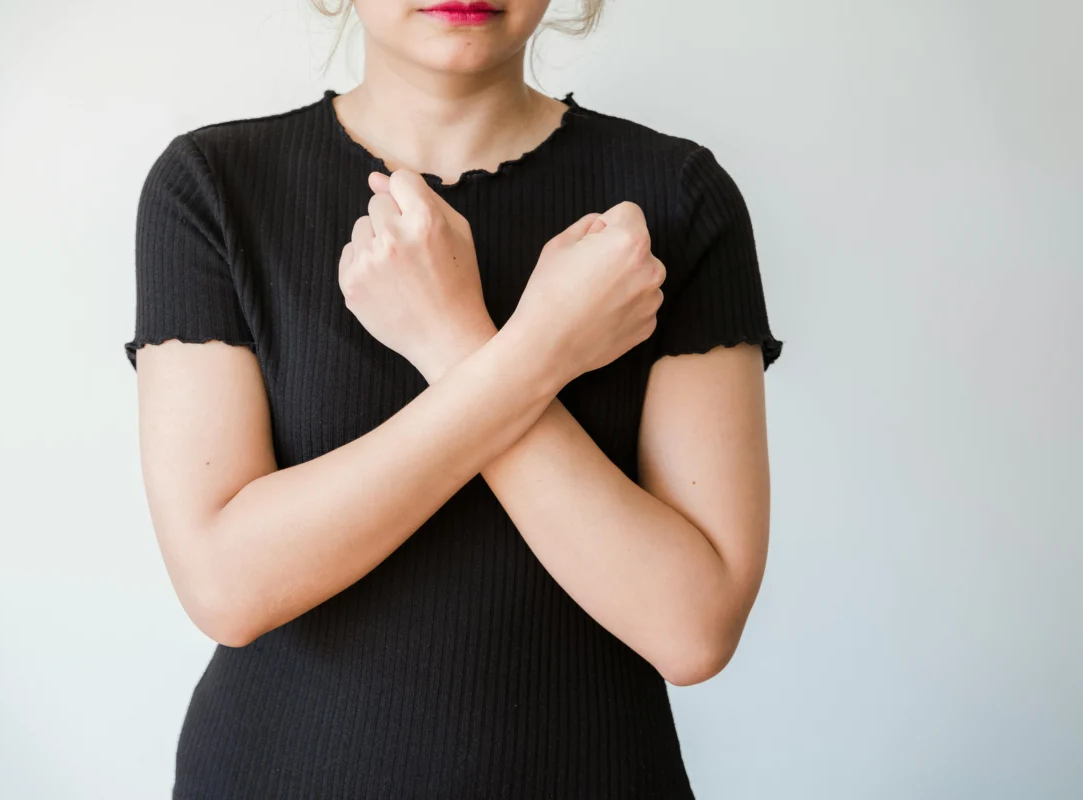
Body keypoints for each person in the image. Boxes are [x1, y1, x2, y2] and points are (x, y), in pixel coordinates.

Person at [123, 0, 783, 796]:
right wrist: (538, 350)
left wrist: (450, 336)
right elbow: (228, 587)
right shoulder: (213, 190)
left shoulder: (673, 202)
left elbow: (693, 628)